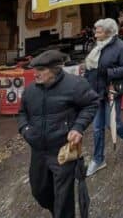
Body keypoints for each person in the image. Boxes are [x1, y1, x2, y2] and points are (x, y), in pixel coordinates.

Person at [19, 50, 99, 218]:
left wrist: (77, 127)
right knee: (39, 191)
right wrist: (25, 130)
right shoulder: (30, 91)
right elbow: (22, 113)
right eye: (35, 70)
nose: (36, 74)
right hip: (39, 151)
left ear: (55, 70)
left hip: (63, 149)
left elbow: (92, 103)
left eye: (41, 70)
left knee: (63, 197)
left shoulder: (75, 85)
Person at [84, 18, 123, 177]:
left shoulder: (120, 47)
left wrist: (108, 73)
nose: (95, 34)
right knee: (97, 127)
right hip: (96, 92)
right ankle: (98, 159)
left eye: (98, 31)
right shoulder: (98, 46)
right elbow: (92, 68)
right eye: (96, 31)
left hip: (111, 91)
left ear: (108, 32)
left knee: (112, 123)